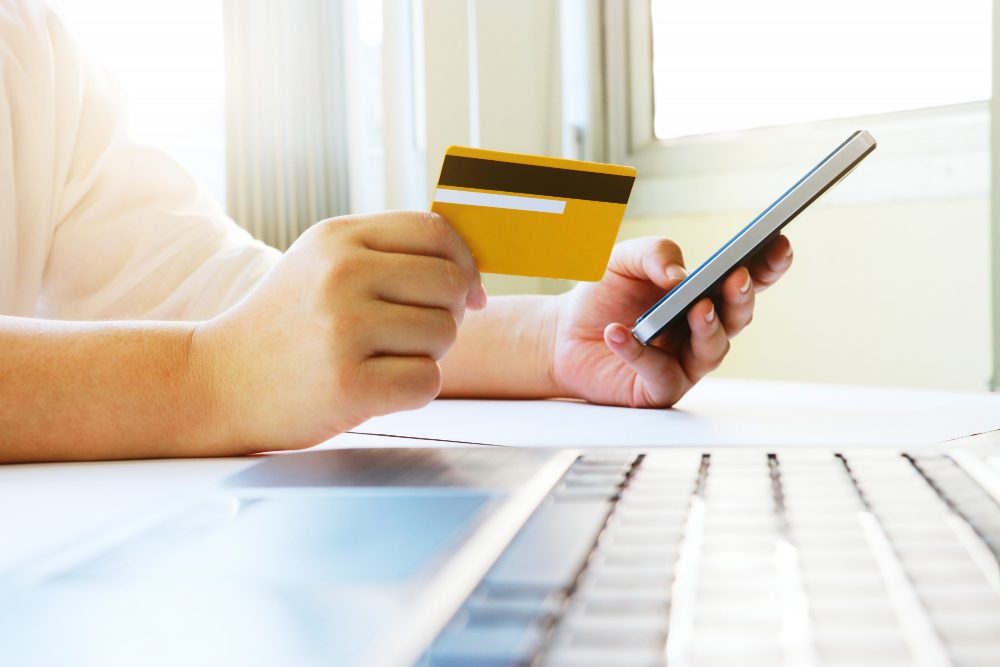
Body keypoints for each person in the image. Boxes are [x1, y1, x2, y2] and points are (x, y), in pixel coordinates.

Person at [0, 0, 792, 463]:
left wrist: (549, 340)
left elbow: (213, 299)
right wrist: (217, 377)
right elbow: (229, 351)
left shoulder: (29, 47)